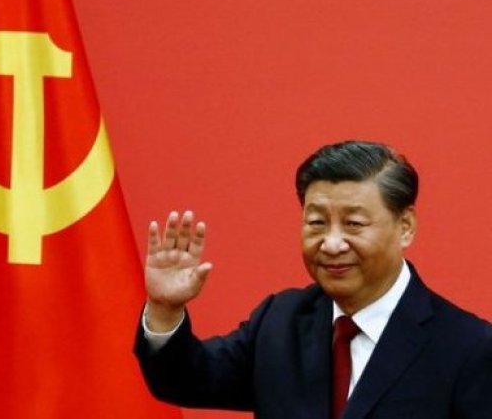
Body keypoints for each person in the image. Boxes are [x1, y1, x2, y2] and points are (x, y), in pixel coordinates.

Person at [134, 141, 492, 419]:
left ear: (406, 226)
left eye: (353, 224)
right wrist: (165, 308)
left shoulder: (469, 348)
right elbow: (185, 379)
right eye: (317, 223)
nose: (332, 244)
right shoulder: (280, 321)